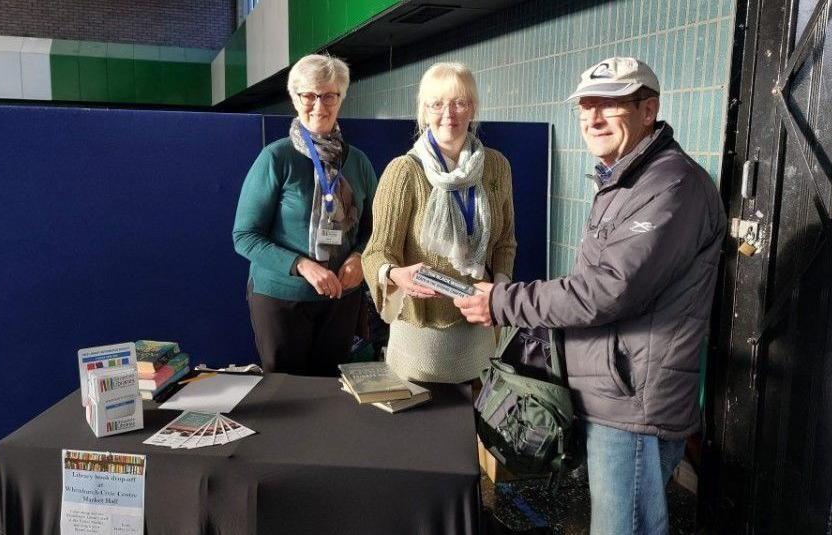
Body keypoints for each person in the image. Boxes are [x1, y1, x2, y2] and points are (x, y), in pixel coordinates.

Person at [454, 57, 726, 534]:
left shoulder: (672, 185)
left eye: (610, 104)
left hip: (635, 404)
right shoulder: (625, 178)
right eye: (585, 106)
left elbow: (606, 292)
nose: (593, 118)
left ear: (649, 110)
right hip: (611, 395)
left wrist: (501, 301)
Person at [361, 62, 516, 384]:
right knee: (419, 429)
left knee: (474, 427)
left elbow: (505, 243)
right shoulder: (404, 171)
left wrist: (499, 292)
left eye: (459, 102)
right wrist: (394, 274)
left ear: (473, 107)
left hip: (479, 326)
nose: (449, 113)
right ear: (424, 111)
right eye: (437, 104)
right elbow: (377, 252)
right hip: (421, 337)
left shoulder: (497, 166)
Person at [233, 54, 377, 376]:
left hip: (341, 299)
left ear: (341, 99)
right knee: (288, 396)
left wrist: (359, 257)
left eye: (329, 96)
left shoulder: (360, 163)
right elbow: (244, 237)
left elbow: (376, 232)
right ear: (295, 99)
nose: (319, 105)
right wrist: (302, 266)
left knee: (331, 395)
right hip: (281, 300)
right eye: (309, 95)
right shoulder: (276, 158)